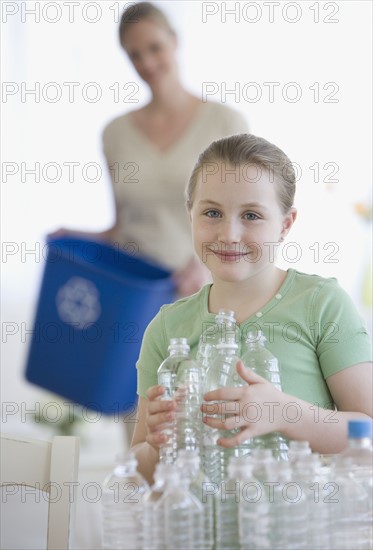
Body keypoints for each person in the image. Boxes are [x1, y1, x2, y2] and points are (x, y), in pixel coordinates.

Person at [130, 133, 373, 484]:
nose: (229, 234)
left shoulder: (322, 304)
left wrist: (285, 413)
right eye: (212, 212)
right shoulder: (167, 328)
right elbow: (141, 466)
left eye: (252, 215)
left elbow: (368, 434)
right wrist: (157, 445)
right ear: (190, 215)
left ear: (286, 224)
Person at [52, 2, 248, 297]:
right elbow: (121, 229)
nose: (147, 63)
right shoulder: (114, 133)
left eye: (155, 47)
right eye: (135, 54)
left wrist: (204, 265)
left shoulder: (225, 123)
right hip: (133, 295)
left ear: (175, 41)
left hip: (204, 295)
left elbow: (247, 219)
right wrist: (73, 237)